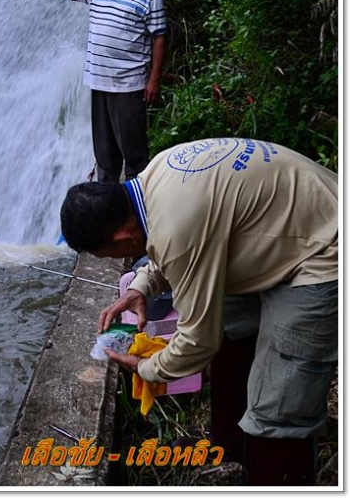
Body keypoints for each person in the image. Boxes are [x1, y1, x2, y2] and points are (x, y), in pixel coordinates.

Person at [59, 137, 339, 486]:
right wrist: (140, 286)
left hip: (325, 251)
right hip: (293, 225)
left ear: (120, 236)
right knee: (229, 324)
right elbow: (184, 239)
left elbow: (197, 341)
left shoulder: (175, 227)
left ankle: (279, 478)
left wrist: (147, 367)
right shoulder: (156, 177)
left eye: (110, 257)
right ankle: (231, 448)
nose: (120, 260)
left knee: (280, 404)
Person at [42, 0, 167, 182]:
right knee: (105, 155)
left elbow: (160, 37)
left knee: (134, 155)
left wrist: (153, 80)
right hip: (99, 82)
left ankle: (137, 209)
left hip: (129, 86)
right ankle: (109, 208)